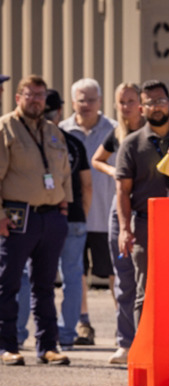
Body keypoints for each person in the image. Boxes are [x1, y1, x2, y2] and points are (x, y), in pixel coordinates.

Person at [0, 75, 72, 366]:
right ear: (18, 98)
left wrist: (64, 209)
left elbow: (65, 172)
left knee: (46, 285)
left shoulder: (54, 131)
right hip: (18, 216)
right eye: (30, 95)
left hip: (51, 218)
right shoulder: (5, 128)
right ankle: (7, 346)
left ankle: (48, 346)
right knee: (8, 283)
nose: (36, 100)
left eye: (40, 95)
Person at [16, 89, 92, 351]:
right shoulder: (72, 142)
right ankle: (67, 334)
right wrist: (81, 212)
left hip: (36, 216)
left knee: (28, 276)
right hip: (71, 217)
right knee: (71, 276)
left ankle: (17, 333)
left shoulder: (26, 141)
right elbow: (87, 185)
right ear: (60, 110)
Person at [115, 80, 169, 329]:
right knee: (145, 293)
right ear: (141, 109)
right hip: (146, 225)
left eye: (160, 101)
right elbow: (123, 191)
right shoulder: (132, 144)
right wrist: (125, 229)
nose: (156, 107)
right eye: (149, 103)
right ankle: (144, 356)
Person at [59, 78, 118, 346]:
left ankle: (123, 325)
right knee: (78, 272)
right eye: (81, 99)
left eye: (91, 99)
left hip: (106, 216)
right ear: (73, 102)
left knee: (113, 272)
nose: (86, 104)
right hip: (75, 218)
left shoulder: (115, 131)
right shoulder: (60, 131)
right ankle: (83, 323)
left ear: (101, 101)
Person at [91, 82, 144, 364]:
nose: (126, 107)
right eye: (121, 102)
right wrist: (116, 171)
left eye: (131, 101)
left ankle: (147, 339)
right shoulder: (117, 133)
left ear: (141, 104)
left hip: (145, 210)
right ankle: (125, 342)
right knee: (123, 277)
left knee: (147, 279)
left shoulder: (151, 132)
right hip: (119, 210)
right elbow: (96, 159)